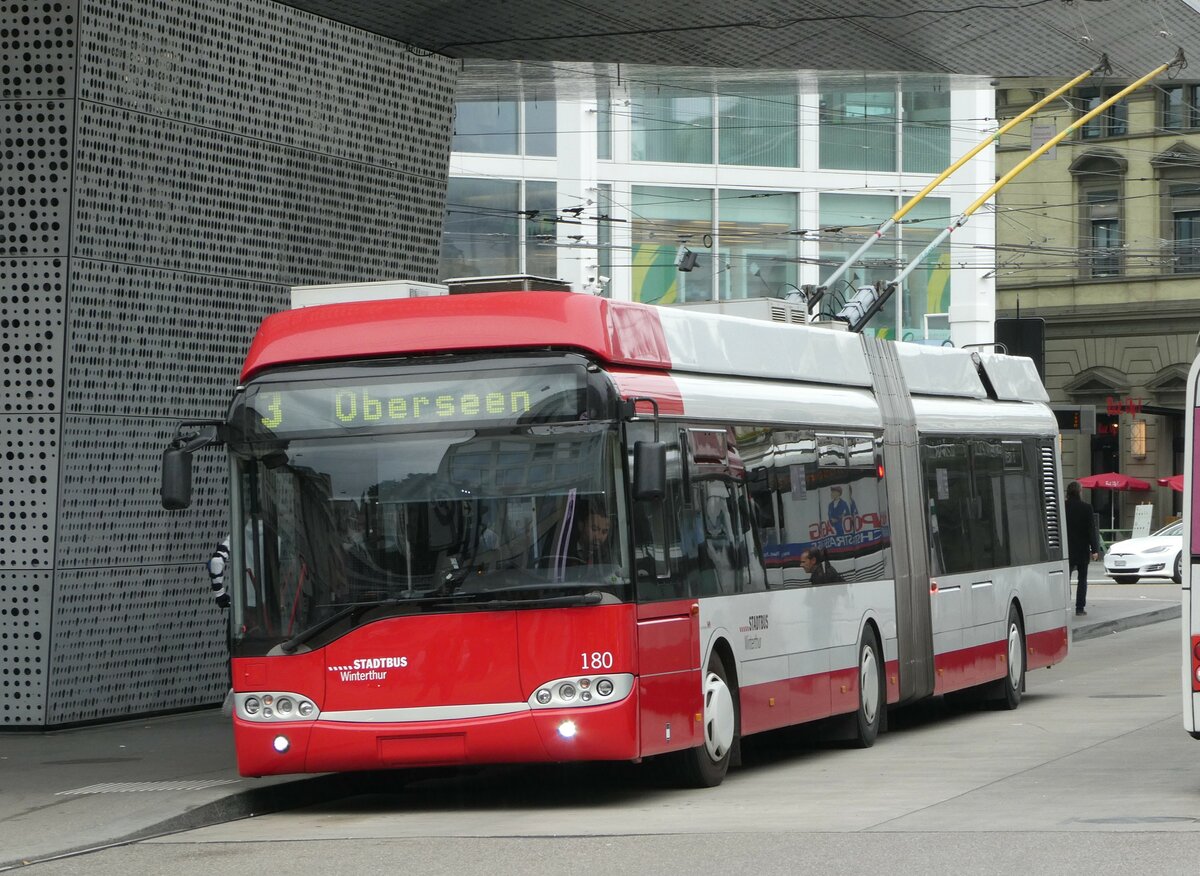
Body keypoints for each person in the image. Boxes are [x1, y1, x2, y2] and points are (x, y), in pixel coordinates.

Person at [1065, 481, 1101, 616]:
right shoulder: (1086, 508)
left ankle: (1065, 605)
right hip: (1082, 548)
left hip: (1067, 549)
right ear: (1079, 492)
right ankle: (1079, 608)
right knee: (1082, 579)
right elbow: (1091, 529)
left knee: (1065, 579)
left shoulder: (1063, 507)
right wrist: (1095, 549)